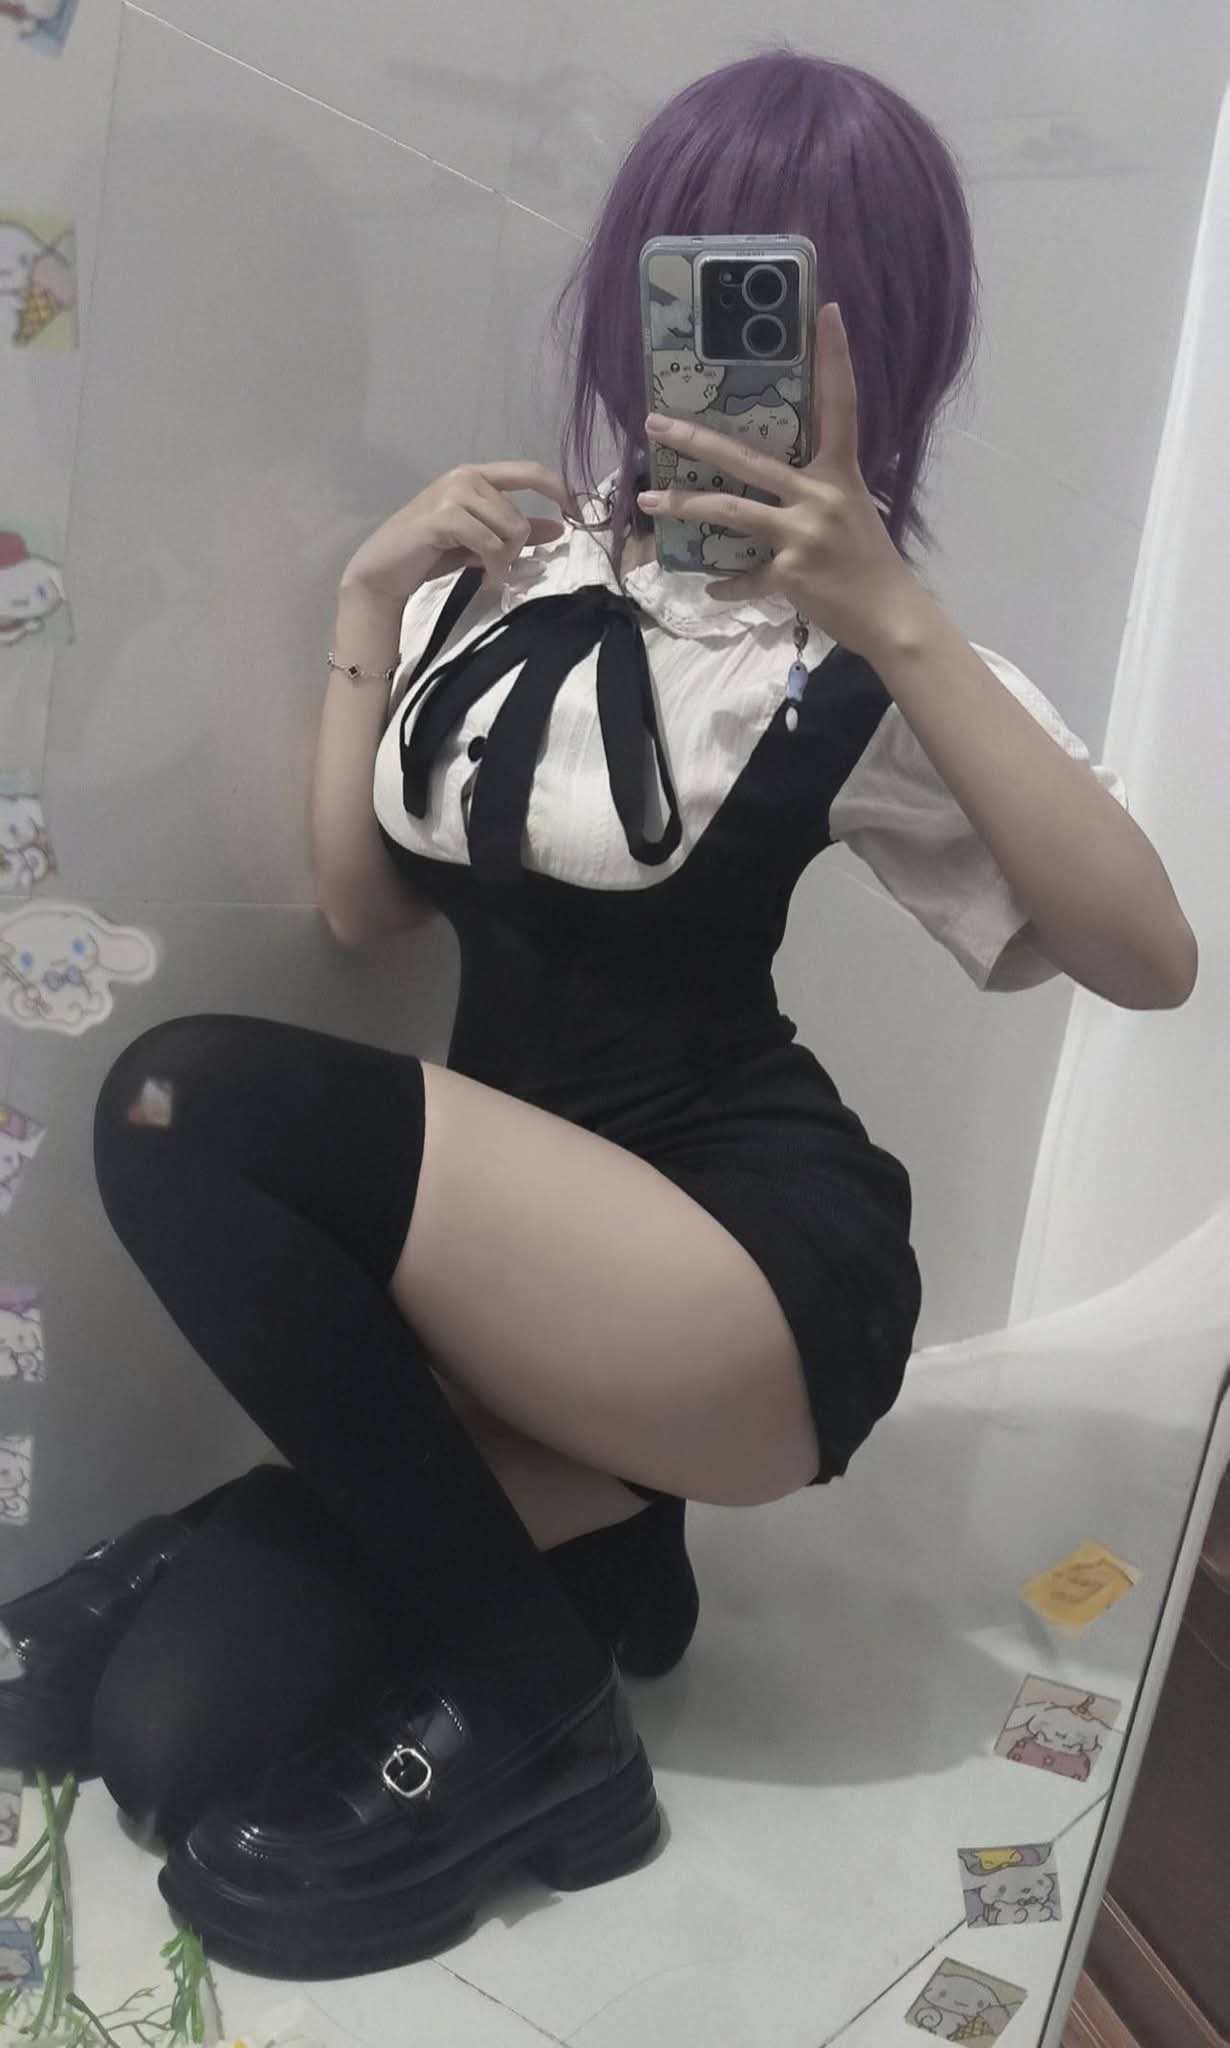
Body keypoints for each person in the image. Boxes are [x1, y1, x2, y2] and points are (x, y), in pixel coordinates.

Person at [0, 45, 1195, 1983]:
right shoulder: (507, 575)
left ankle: (546, 1726)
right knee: (172, 1737)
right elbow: (357, 905)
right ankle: (609, 1565)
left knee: (181, 1101)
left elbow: (1148, 957)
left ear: (884, 339)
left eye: (795, 309)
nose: (724, 356)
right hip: (510, 1292)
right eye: (692, 281)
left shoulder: (862, 651)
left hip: (740, 1277)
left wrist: (894, 613)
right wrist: (367, 596)